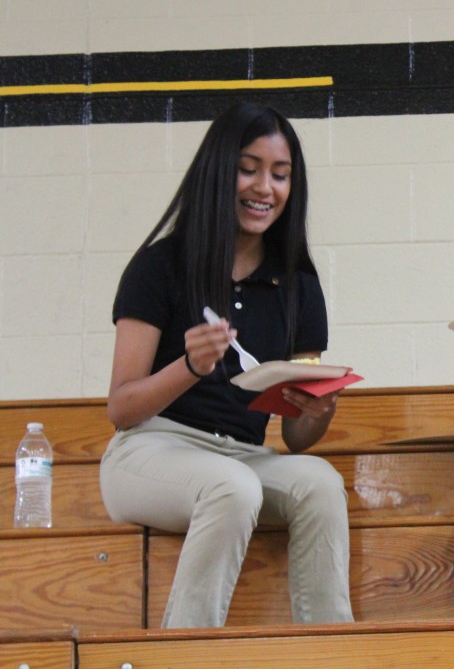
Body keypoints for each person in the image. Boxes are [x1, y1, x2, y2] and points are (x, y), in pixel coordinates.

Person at [100, 103, 353, 628]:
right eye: (249, 168)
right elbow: (122, 409)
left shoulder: (298, 285)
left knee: (320, 481)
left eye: (280, 175)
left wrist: (319, 406)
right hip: (149, 450)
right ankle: (188, 656)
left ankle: (328, 649)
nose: (265, 187)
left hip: (243, 454)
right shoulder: (161, 266)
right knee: (232, 488)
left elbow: (299, 437)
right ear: (219, 171)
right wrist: (190, 366)